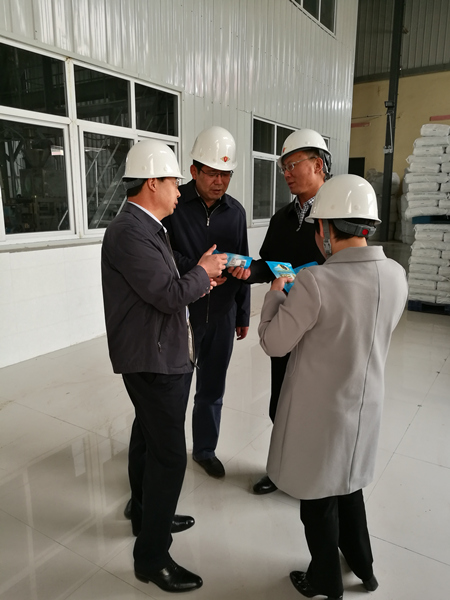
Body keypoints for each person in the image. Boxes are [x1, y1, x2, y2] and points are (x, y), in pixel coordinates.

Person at [258, 174, 408, 600]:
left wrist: (275, 295)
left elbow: (273, 343)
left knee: (317, 498)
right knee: (349, 486)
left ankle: (325, 580)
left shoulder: (316, 283)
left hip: (321, 414)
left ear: (325, 228)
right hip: (365, 406)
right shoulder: (396, 275)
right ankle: (364, 568)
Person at [101, 139, 227, 593]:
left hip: (157, 352)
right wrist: (201, 273)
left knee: (148, 438)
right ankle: (152, 557)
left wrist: (203, 273)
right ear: (152, 183)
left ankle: (146, 511)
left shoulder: (149, 227)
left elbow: (173, 278)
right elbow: (170, 294)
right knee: (170, 457)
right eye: (174, 182)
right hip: (153, 360)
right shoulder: (129, 232)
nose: (179, 190)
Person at [229, 129, 330, 494]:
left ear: (317, 165)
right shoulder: (283, 218)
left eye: (293, 165)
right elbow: (273, 265)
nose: (286, 173)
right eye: (283, 167)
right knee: (281, 402)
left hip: (321, 328)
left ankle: (315, 480)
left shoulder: (337, 215)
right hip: (286, 321)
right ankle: (280, 471)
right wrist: (247, 271)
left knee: (316, 408)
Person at [162, 125, 251, 478]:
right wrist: (200, 269)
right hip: (182, 313)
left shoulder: (236, 212)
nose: (219, 181)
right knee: (175, 390)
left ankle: (204, 450)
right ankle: (168, 456)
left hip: (223, 313)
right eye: (212, 172)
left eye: (226, 174)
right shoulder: (174, 205)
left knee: (212, 389)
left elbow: (243, 263)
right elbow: (165, 255)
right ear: (194, 170)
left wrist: (242, 313)